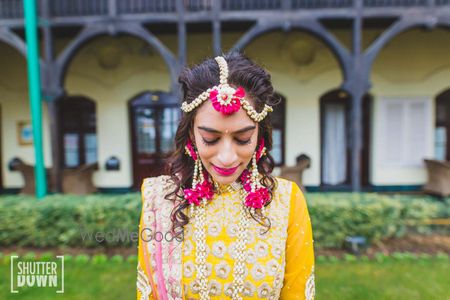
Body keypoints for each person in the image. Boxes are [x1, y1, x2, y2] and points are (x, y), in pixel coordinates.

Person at [137, 52, 314, 300]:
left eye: (242, 139)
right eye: (210, 139)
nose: (227, 157)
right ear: (191, 136)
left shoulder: (286, 202)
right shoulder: (160, 201)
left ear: (259, 136)